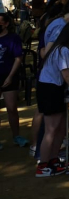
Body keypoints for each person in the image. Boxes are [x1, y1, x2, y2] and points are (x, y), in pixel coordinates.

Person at [35, 22, 69, 177]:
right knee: (51, 129)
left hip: (51, 88)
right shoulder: (63, 51)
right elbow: (67, 76)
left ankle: (53, 160)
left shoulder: (57, 48)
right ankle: (43, 165)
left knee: (60, 127)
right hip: (50, 90)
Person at [0, 12, 26, 147]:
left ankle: (16, 136)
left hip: (9, 75)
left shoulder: (13, 38)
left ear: (6, 24)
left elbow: (18, 58)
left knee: (11, 108)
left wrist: (10, 76)